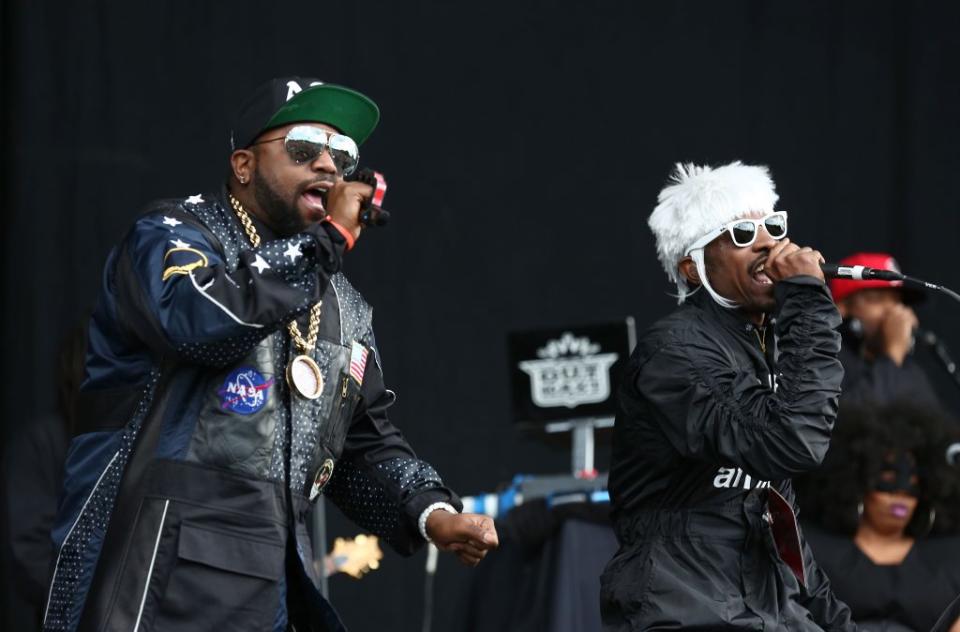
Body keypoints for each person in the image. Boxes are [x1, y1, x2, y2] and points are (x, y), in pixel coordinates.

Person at [43, 77, 498, 632]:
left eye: (343, 155)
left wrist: (431, 512)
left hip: (273, 585)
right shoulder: (170, 235)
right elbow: (197, 321)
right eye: (304, 149)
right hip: (154, 573)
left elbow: (360, 446)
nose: (328, 167)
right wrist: (323, 244)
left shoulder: (343, 308)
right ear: (243, 165)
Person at [601, 161, 856, 630]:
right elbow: (792, 442)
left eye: (773, 227)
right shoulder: (674, 353)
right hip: (684, 607)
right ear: (693, 269)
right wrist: (807, 302)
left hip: (767, 606)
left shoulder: (772, 345)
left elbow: (782, 519)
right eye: (740, 234)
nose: (767, 243)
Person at [800, 404, 960, 632]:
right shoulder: (815, 554)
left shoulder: (951, 559)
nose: (900, 494)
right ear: (858, 482)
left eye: (913, 483)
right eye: (888, 478)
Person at [830, 252, 940, 409]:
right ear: (842, 307)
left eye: (898, 301)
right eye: (877, 299)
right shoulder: (824, 360)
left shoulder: (909, 370)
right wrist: (893, 355)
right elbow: (844, 424)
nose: (893, 310)